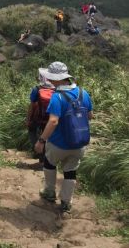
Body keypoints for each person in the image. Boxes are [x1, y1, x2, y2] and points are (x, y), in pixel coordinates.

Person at [34, 62, 93, 213]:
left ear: (57, 79)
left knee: (50, 163)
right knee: (70, 171)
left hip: (59, 144)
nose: (51, 82)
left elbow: (53, 121)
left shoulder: (57, 97)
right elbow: (90, 116)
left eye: (52, 79)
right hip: (79, 144)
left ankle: (49, 192)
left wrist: (41, 140)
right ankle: (66, 202)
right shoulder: (83, 93)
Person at [26, 69, 54, 160]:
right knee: (49, 135)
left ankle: (37, 149)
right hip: (52, 118)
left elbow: (32, 106)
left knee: (31, 130)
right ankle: (47, 155)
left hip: (38, 118)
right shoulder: (56, 89)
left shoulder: (37, 89)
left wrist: (28, 119)